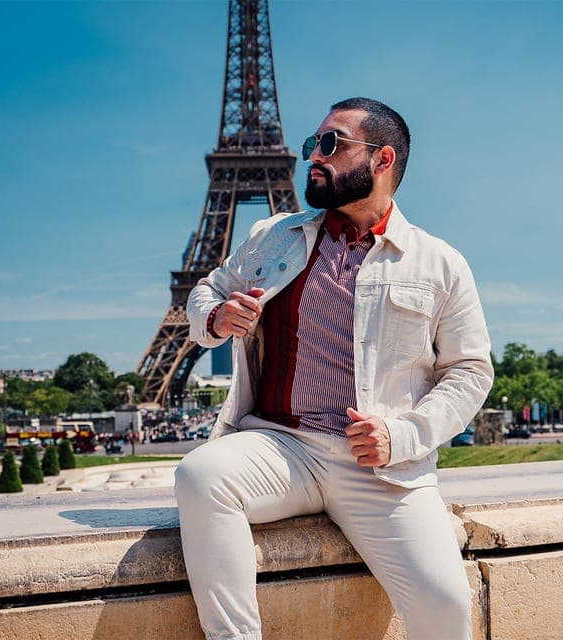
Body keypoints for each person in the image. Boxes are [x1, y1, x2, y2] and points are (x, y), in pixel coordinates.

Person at [175, 97, 493, 640]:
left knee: (446, 608)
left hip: (381, 466)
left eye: (330, 145)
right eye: (309, 146)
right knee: (201, 476)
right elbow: (206, 291)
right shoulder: (272, 237)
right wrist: (216, 315)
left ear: (382, 158)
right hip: (282, 445)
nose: (312, 158)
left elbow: (469, 372)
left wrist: (403, 434)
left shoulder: (440, 262)